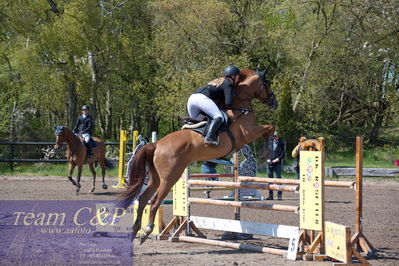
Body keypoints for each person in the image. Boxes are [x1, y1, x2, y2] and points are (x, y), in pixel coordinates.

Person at [187, 65, 240, 145]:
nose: (238, 79)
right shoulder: (227, 83)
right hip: (202, 99)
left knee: (196, 126)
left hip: (191, 99)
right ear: (233, 76)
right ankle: (209, 137)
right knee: (219, 117)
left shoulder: (218, 81)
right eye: (238, 76)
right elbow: (228, 103)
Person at [266, 132, 285, 200]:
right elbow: (266, 153)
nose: (274, 137)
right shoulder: (269, 144)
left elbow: (282, 155)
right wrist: (268, 160)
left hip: (277, 164)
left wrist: (274, 161)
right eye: (273, 136)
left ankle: (279, 195)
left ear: (278, 137)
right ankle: (270, 195)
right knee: (270, 180)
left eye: (275, 136)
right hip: (269, 163)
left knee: (278, 179)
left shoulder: (281, 144)